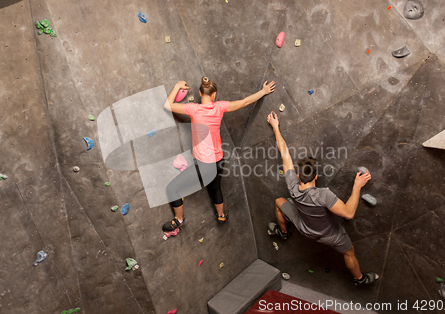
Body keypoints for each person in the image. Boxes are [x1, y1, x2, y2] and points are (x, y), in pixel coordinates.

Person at [266, 111, 379, 285]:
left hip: (304, 227)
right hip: (329, 235)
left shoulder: (291, 184)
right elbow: (348, 214)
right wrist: (357, 186)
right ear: (316, 177)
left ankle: (283, 232)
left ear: (297, 175)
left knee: (279, 202)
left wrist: (275, 127)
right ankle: (359, 279)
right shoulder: (323, 195)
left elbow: (284, 152)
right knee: (349, 253)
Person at [161, 77, 276, 232]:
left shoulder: (193, 109)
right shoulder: (219, 107)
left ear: (200, 93)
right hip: (219, 161)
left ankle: (179, 220)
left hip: (204, 166)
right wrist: (263, 91)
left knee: (172, 189)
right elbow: (244, 102)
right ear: (214, 95)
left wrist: (177, 86)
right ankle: (221, 215)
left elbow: (168, 105)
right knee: (215, 188)